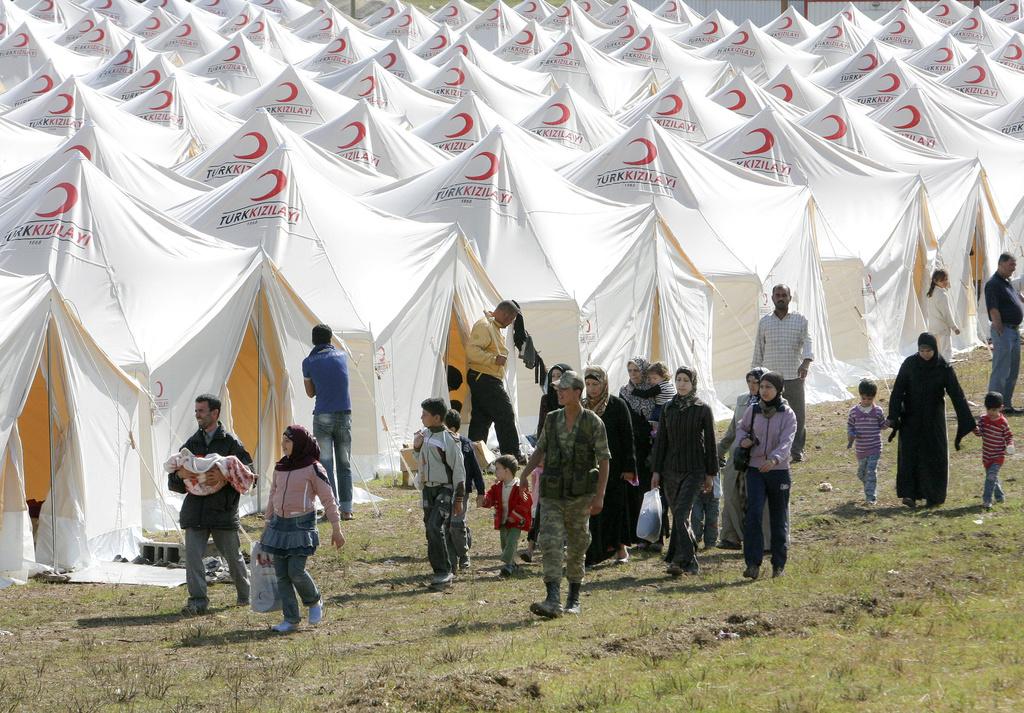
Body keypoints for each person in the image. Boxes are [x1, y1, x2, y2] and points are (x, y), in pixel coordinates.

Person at [518, 371, 610, 618]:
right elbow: (540, 450)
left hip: (581, 495)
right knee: (549, 541)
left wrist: (599, 496)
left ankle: (574, 596)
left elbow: (604, 460)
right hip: (553, 492)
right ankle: (552, 598)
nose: (559, 392)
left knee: (578, 544)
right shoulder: (552, 419)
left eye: (565, 389)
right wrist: (524, 474)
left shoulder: (593, 422)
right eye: (558, 389)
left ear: (577, 393)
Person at [168, 394, 253, 615]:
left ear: (215, 413)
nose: (197, 415)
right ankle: (197, 601)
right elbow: (173, 483)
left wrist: (225, 477)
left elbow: (249, 475)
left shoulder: (231, 443)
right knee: (193, 558)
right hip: (194, 512)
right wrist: (182, 475)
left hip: (222, 511)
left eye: (201, 411)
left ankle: (246, 595)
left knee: (233, 558)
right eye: (196, 411)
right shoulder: (190, 445)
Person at [261, 425, 345, 633]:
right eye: (283, 441)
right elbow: (273, 495)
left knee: (295, 571)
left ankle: (314, 601)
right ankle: (291, 619)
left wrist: (336, 527)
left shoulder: (313, 467)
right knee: (281, 575)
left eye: (288, 441)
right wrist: (267, 523)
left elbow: (328, 498)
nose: (283, 445)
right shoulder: (281, 467)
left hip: (301, 525)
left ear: (299, 443)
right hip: (279, 526)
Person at [888, 333, 976, 508]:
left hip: (933, 418)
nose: (925, 354)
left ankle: (933, 495)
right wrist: (893, 415)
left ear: (934, 349)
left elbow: (957, 395)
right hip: (911, 417)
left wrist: (969, 422)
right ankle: (909, 494)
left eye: (929, 350)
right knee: (910, 455)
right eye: (922, 350)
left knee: (934, 455)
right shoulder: (909, 365)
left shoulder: (943, 367)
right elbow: (898, 391)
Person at [650, 367, 717, 577]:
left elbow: (711, 444)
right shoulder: (668, 408)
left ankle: (685, 559)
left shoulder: (702, 409)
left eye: (686, 380)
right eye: (678, 380)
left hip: (694, 469)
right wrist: (656, 471)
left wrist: (710, 474)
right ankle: (683, 561)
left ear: (693, 383)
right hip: (671, 471)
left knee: (680, 514)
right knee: (679, 515)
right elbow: (661, 442)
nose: (681, 384)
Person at [735, 372, 797, 580]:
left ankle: (778, 564)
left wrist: (774, 460)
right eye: (762, 387)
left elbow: (787, 442)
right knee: (753, 515)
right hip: (754, 470)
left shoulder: (787, 414)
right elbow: (741, 429)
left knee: (778, 518)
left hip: (778, 472)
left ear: (778, 389)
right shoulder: (753, 410)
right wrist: (744, 440)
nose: (764, 391)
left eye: (769, 387)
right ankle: (752, 563)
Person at [751, 284, 813, 462]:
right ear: (772, 298)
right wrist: (755, 374)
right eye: (777, 295)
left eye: (784, 295)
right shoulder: (765, 322)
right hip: (770, 379)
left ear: (789, 298)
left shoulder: (800, 320)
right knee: (770, 414)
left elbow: (808, 341)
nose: (780, 297)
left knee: (797, 414)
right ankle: (771, 448)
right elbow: (758, 349)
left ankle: (796, 450)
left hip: (794, 375)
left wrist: (806, 362)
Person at [582, 366, 636, 566]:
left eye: (596, 384)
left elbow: (627, 437)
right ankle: (596, 551)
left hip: (615, 467)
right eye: (588, 384)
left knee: (616, 508)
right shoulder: (583, 407)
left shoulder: (617, 405)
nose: (592, 388)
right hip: (590, 468)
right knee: (594, 510)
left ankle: (620, 549)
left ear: (604, 383)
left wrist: (629, 467)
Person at [413, 398, 467, 590]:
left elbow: (459, 470)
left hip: (445, 488)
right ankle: (440, 570)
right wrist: (417, 448)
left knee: (436, 526)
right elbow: (419, 461)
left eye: (425, 414)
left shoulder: (449, 440)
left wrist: (459, 498)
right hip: (428, 489)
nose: (421, 417)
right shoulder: (424, 435)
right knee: (430, 528)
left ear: (437, 418)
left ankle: (445, 571)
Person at [302, 324, 354, 519]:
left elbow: (310, 393)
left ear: (313, 340)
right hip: (344, 413)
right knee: (344, 463)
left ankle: (331, 509)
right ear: (331, 338)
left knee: (325, 464)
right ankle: (347, 509)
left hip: (323, 414)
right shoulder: (342, 356)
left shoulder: (308, 362)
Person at [523, 363, 572, 564]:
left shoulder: (576, 407)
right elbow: (541, 428)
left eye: (559, 376)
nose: (555, 381)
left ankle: (565, 545)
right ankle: (530, 547)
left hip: (569, 465)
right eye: (553, 376)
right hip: (550, 459)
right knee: (542, 504)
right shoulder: (547, 401)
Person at [716, 367, 769, 550]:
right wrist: (719, 450)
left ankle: (761, 539)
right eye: (750, 382)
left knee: (755, 499)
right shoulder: (741, 401)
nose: (753, 386)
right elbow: (733, 430)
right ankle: (730, 536)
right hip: (737, 455)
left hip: (759, 458)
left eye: (757, 382)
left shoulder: (776, 403)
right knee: (731, 493)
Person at [466, 301, 523, 459]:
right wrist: (492, 359)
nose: (511, 322)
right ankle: (511, 455)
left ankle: (475, 457)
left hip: (486, 377)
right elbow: (471, 351)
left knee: (482, 418)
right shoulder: (484, 326)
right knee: (505, 413)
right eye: (511, 319)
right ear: (505, 314)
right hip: (484, 377)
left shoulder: (494, 326)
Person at [619, 357, 663, 548]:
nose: (633, 374)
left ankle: (656, 536)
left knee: (652, 489)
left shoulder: (654, 391)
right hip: (634, 445)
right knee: (635, 491)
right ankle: (639, 536)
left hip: (652, 445)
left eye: (636, 370)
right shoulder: (624, 392)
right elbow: (624, 419)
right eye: (630, 370)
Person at [444, 408, 485, 571]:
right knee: (448, 524)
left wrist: (481, 492)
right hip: (446, 490)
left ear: (452, 428)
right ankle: (452, 558)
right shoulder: (440, 445)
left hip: (463, 490)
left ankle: (464, 555)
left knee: (456, 523)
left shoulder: (466, 444)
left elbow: (475, 469)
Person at [984, 254, 1023, 413]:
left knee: (1013, 369)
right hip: (1004, 330)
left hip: (1013, 331)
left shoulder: (1007, 283)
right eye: (1011, 265)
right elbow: (993, 308)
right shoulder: (993, 284)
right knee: (1001, 369)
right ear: (1001, 264)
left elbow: (1017, 298)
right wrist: (999, 329)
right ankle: (994, 406)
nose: (1013, 268)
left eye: (1014, 265)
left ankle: (1005, 404)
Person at [481, 455, 532, 576]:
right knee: (504, 542)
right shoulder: (497, 487)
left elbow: (526, 503)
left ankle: (507, 565)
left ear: (507, 470)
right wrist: (484, 499)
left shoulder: (520, 487)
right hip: (503, 520)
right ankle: (512, 564)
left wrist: (514, 516)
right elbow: (490, 497)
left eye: (497, 468)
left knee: (511, 541)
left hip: (516, 522)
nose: (495, 471)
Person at [846, 379, 888, 506]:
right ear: (860, 396)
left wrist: (890, 422)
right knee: (861, 473)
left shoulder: (878, 411)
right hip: (861, 448)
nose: (866, 401)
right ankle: (869, 485)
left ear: (874, 397)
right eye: (864, 398)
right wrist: (851, 435)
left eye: (869, 399)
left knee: (871, 472)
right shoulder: (854, 411)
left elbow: (882, 425)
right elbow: (850, 426)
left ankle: (871, 497)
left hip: (874, 447)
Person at [973, 392, 1013, 510]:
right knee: (993, 477)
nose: (991, 413)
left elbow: (1009, 436)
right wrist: (974, 428)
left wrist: (1010, 445)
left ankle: (987, 500)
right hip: (987, 456)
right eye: (989, 410)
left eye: (994, 410)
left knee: (990, 477)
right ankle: (1000, 497)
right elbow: (979, 433)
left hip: (998, 456)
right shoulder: (983, 419)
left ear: (1001, 408)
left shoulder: (1003, 422)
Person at [926, 269, 961, 363]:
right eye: (942, 280)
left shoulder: (931, 294)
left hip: (933, 328)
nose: (945, 282)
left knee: (937, 352)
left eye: (946, 279)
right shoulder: (942, 294)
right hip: (942, 328)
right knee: (946, 353)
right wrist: (954, 327)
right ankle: (945, 371)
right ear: (935, 281)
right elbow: (946, 314)